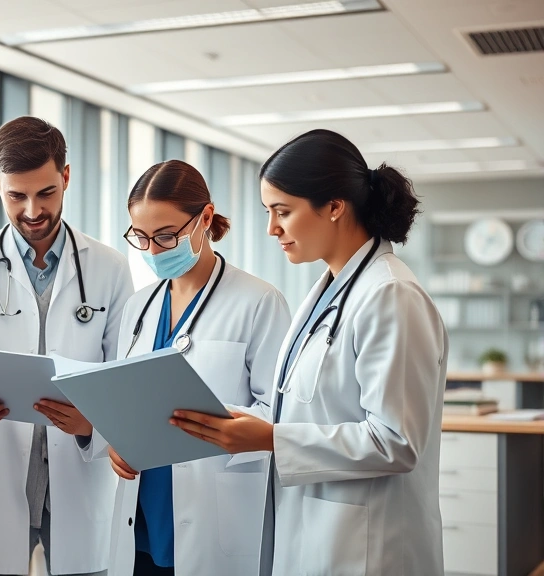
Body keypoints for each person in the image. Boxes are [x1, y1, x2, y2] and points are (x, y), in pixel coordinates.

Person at [173, 129, 448, 575]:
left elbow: (397, 442)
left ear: (335, 206)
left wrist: (270, 438)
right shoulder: (328, 292)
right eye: (268, 212)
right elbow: (313, 411)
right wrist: (246, 423)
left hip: (369, 547)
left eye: (283, 211)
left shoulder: (391, 294)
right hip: (318, 534)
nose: (271, 228)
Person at [0, 116, 134, 576]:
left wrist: (94, 424)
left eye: (46, 193)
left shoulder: (109, 269)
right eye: (16, 196)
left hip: (79, 469)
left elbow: (125, 374)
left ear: (66, 177)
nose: (32, 210)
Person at [107, 160, 290, 576]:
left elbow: (280, 414)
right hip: (142, 513)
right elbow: (125, 398)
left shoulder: (259, 301)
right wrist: (115, 440)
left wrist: (219, 423)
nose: (153, 251)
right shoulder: (139, 306)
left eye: (167, 235)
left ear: (205, 218)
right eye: (141, 237)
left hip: (213, 514)